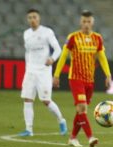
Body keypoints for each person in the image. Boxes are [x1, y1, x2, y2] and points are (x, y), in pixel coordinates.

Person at [53, 10, 112, 147]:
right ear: (80, 22)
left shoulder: (97, 38)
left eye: (89, 21)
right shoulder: (73, 37)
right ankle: (90, 137)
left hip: (89, 80)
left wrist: (108, 75)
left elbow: (102, 58)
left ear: (92, 23)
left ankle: (73, 138)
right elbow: (63, 56)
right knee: (82, 107)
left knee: (81, 111)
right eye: (84, 21)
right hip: (75, 78)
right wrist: (56, 74)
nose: (86, 24)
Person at [19, 9, 67, 137]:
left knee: (45, 100)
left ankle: (61, 120)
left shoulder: (47, 32)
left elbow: (58, 49)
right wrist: (27, 67)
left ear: (39, 18)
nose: (32, 20)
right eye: (30, 17)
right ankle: (29, 129)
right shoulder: (26, 34)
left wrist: (52, 59)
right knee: (27, 99)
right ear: (27, 20)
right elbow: (28, 53)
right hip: (30, 71)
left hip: (43, 72)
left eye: (34, 17)